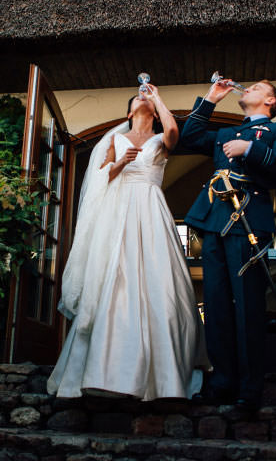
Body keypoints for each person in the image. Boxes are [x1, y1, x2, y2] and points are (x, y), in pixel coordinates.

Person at [47, 84, 208, 401]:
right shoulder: (114, 139)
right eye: (139, 98)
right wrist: (121, 163)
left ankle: (163, 378)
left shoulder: (161, 139)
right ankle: (104, 370)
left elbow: (173, 131)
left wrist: (157, 97)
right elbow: (100, 179)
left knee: (160, 281)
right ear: (129, 111)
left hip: (151, 209)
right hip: (119, 212)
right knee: (115, 277)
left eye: (147, 99)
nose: (143, 99)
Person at [180, 77, 276, 410]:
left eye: (258, 87)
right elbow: (190, 137)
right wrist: (211, 98)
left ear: (271, 101)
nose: (249, 88)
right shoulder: (226, 133)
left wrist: (250, 149)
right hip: (215, 222)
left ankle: (249, 388)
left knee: (247, 305)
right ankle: (222, 382)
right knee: (215, 304)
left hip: (248, 220)